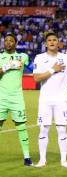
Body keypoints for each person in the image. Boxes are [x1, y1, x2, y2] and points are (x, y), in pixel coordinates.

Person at [33, 32, 67, 168]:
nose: (52, 42)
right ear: (45, 43)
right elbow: (36, 78)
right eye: (49, 40)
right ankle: (42, 160)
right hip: (45, 100)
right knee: (43, 129)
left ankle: (64, 160)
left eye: (54, 40)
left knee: (61, 129)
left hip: (61, 99)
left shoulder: (66, 58)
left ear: (58, 42)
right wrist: (53, 70)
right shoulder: (39, 58)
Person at [0, 33, 32, 166]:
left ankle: (27, 158)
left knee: (21, 126)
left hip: (17, 98)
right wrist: (7, 66)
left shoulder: (23, 57)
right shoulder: (0, 56)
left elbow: (36, 67)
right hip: (1, 97)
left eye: (11, 41)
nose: (8, 43)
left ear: (15, 43)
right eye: (6, 40)